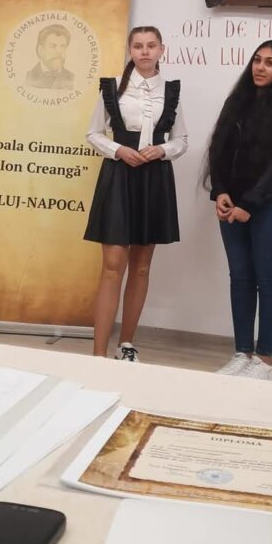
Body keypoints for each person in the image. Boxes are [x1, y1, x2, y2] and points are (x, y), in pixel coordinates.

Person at [84, 26, 188, 362]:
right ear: (130, 50)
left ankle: (126, 345)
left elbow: (182, 139)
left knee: (141, 268)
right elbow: (93, 133)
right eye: (138, 46)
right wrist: (118, 150)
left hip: (154, 178)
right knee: (112, 266)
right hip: (118, 175)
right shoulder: (112, 88)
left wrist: (162, 150)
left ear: (161, 50)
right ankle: (98, 354)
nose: (145, 51)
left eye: (151, 46)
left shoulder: (171, 91)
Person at [204, 41, 272, 381]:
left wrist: (250, 204)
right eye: (257, 60)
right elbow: (218, 148)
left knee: (269, 280)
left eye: (270, 62)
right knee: (241, 278)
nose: (260, 67)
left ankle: (265, 361)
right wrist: (220, 191)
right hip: (232, 202)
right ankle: (242, 353)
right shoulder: (237, 100)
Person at [26, 24, 75, 90]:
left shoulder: (73, 78)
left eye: (62, 46)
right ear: (40, 50)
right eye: (52, 46)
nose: (59, 51)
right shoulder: (27, 78)